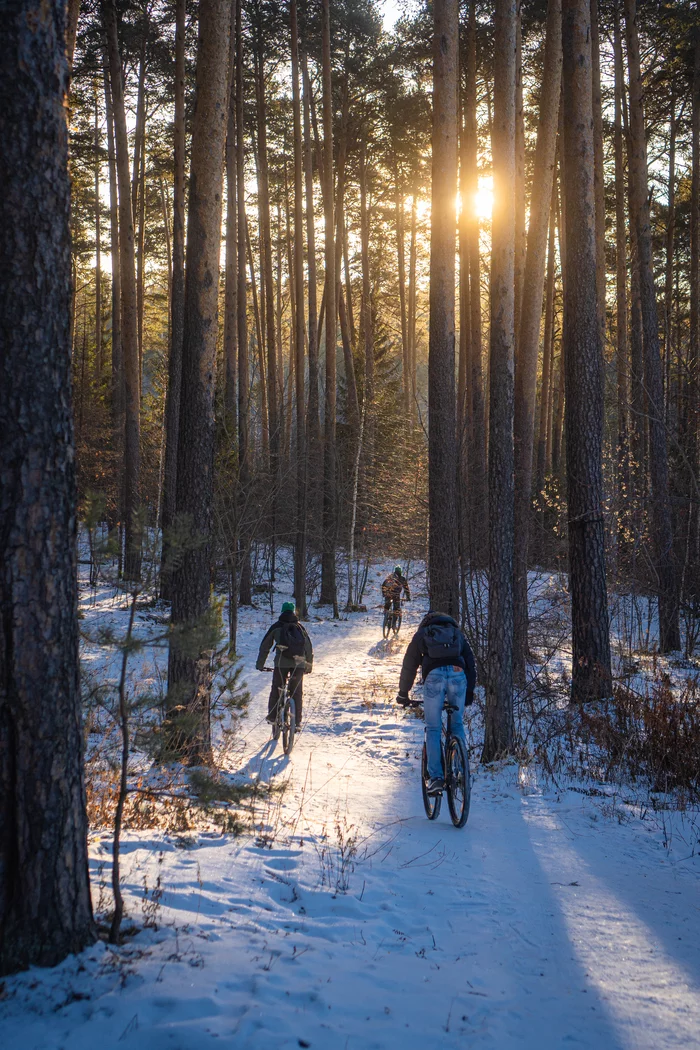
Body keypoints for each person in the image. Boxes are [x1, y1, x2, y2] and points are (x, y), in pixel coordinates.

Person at [396, 611, 476, 794]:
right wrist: (470, 690)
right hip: (458, 674)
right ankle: (462, 771)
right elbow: (470, 663)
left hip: (434, 677)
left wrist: (403, 692)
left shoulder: (423, 634)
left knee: (433, 727)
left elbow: (410, 663)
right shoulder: (457, 634)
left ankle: (436, 778)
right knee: (457, 723)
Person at [256, 602, 313, 728]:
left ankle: (272, 717)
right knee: (297, 692)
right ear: (293, 612)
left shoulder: (277, 626)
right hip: (299, 665)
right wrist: (308, 666)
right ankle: (297, 722)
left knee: (277, 688)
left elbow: (265, 646)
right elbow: (308, 647)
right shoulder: (300, 628)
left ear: (282, 611)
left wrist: (260, 664)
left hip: (281, 664)